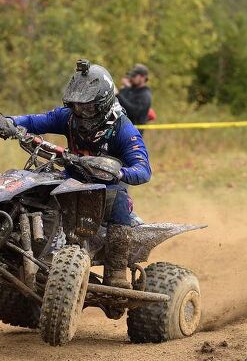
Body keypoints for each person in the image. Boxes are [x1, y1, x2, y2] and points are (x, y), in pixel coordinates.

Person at [10, 59, 152, 290]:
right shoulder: (68, 117)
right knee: (35, 184)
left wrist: (118, 172)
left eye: (87, 107)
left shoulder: (123, 129)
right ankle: (21, 246)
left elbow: (143, 170)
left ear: (103, 102)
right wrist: (8, 122)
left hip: (104, 190)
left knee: (119, 199)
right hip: (70, 180)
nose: (80, 111)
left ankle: (116, 270)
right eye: (76, 105)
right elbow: (36, 121)